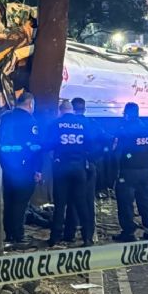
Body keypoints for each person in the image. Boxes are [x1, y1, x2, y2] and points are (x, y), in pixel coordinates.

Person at [46, 100, 95, 247]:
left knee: (60, 205)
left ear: (61, 111)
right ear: (72, 110)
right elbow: (91, 144)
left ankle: (55, 237)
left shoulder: (55, 124)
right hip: (79, 168)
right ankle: (87, 237)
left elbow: (48, 145)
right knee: (81, 204)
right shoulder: (84, 124)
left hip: (61, 168)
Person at [0, 92, 42, 244]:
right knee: (20, 203)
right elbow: (35, 148)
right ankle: (18, 235)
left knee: (9, 200)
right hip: (25, 168)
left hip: (7, 165)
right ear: (30, 104)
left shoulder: (5, 117)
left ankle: (8, 232)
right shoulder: (30, 121)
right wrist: (37, 170)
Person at [112, 103, 148, 242]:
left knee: (125, 203)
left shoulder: (124, 129)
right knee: (145, 202)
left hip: (128, 172)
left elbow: (118, 152)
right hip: (145, 171)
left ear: (126, 113)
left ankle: (128, 233)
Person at [63, 97, 104, 243]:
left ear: (72, 110)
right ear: (84, 109)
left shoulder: (69, 124)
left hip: (70, 167)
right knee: (87, 201)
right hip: (89, 167)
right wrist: (94, 159)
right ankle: (89, 235)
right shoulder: (91, 123)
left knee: (71, 201)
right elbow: (107, 140)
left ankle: (69, 233)